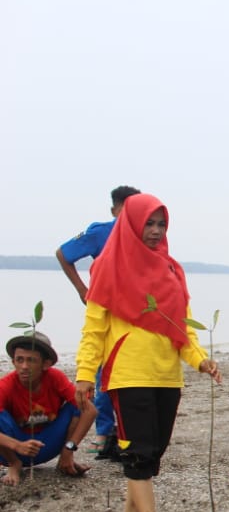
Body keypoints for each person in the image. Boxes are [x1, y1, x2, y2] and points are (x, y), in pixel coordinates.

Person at [75, 193, 222, 512]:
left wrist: (201, 360)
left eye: (161, 224)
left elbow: (181, 330)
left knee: (153, 454)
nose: (155, 231)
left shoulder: (172, 270)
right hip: (128, 375)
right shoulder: (109, 267)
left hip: (167, 376)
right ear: (131, 224)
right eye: (148, 224)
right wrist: (83, 375)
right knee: (138, 455)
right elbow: (93, 330)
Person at [54, 184, 141, 461]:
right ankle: (105, 433)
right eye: (126, 210)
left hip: (135, 318)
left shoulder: (144, 235)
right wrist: (82, 290)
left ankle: (126, 434)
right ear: (114, 209)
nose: (131, 215)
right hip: (105, 313)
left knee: (131, 375)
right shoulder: (101, 232)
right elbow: (63, 254)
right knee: (104, 376)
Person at [0, 331, 95, 485]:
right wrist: (17, 445)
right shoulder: (6, 385)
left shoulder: (55, 378)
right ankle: (14, 465)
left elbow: (91, 410)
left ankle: (64, 462)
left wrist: (69, 450)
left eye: (31, 360)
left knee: (78, 405)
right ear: (13, 362)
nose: (24, 366)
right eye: (19, 360)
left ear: (46, 364)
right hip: (14, 449)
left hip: (47, 445)